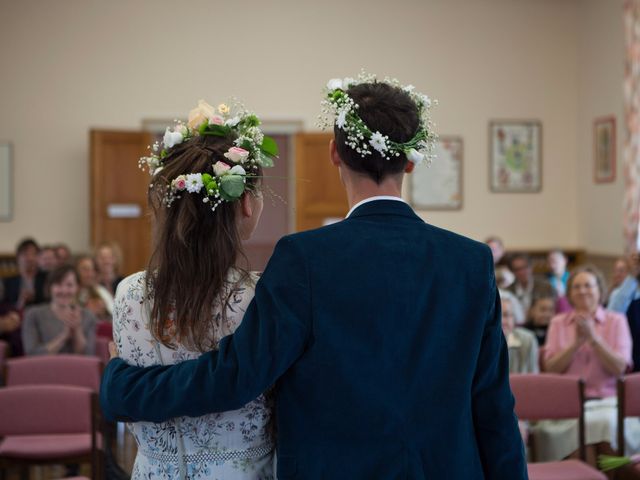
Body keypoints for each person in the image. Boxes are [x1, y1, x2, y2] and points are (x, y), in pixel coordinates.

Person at [100, 75, 527, 479]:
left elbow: (235, 377)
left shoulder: (304, 258)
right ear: (410, 161)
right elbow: (493, 406)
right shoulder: (471, 261)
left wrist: (122, 386)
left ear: (334, 153)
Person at [110, 100, 277, 479]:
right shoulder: (261, 295)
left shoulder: (128, 294)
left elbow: (134, 387)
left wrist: (114, 377)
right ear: (247, 204)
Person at [535, 266, 636, 462]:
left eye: (588, 285)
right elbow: (551, 369)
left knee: (604, 427)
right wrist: (576, 344)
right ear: (570, 293)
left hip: (609, 403)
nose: (583, 291)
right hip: (568, 406)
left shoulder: (617, 321)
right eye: (577, 286)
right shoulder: (558, 322)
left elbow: (620, 368)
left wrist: (594, 338)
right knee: (584, 437)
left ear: (600, 290)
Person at [22, 265, 96, 355]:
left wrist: (77, 330)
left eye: (69, 285)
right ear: (50, 287)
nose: (64, 291)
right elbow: (32, 354)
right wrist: (63, 337)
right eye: (58, 284)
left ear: (77, 288)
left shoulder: (88, 316)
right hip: (44, 368)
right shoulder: (33, 314)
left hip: (77, 368)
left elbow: (89, 357)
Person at [2, 238, 48, 311]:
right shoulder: (9, 281)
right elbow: (4, 307)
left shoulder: (46, 278)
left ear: (38, 257)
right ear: (18, 257)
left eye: (33, 254)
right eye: (25, 254)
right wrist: (20, 302)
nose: (30, 258)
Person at [501, 295, 538, 374]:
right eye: (496, 316)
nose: (501, 321)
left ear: (514, 319)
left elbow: (534, 379)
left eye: (506, 315)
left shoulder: (528, 340)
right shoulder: (479, 342)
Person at [76, 255, 114, 323]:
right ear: (76, 271)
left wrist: (103, 313)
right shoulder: (70, 292)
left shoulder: (102, 292)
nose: (90, 274)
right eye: (85, 269)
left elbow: (114, 318)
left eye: (92, 270)